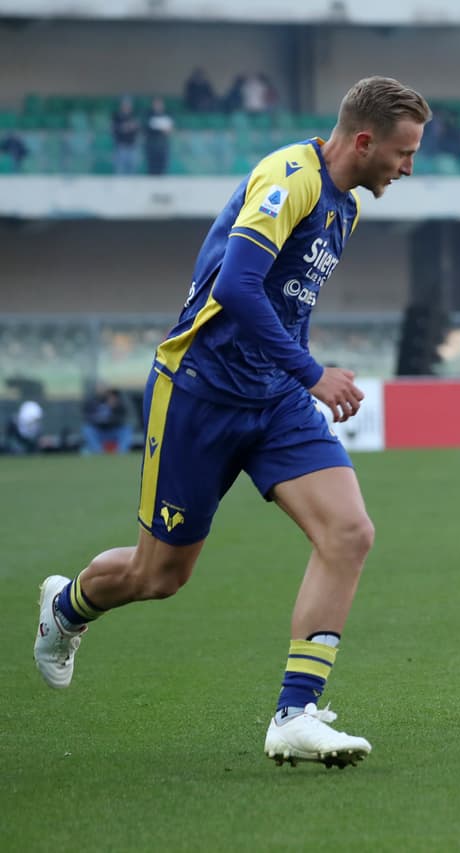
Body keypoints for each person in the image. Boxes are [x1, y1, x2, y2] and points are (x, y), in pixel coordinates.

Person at [32, 76, 431, 769]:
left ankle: (294, 713)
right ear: (364, 141)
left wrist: (294, 377)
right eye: (404, 152)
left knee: (349, 530)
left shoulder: (348, 210)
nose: (409, 167)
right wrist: (313, 372)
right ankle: (67, 605)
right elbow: (236, 287)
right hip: (199, 392)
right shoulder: (290, 176)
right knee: (160, 575)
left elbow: (284, 302)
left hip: (272, 399)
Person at [81, 385, 133, 454]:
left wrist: (114, 408)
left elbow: (122, 417)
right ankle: (98, 452)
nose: (102, 391)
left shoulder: (117, 402)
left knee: (127, 429)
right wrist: (99, 420)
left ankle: (121, 452)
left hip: (114, 431)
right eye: (99, 388)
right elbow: (87, 416)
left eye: (104, 389)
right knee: (87, 430)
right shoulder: (92, 401)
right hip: (99, 431)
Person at [144, 97, 175, 176]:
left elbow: (170, 128)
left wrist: (168, 130)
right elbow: (147, 128)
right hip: (152, 144)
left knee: (163, 167)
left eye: (159, 104)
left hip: (163, 144)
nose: (158, 106)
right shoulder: (148, 115)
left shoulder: (167, 115)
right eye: (156, 104)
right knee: (152, 167)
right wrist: (161, 130)